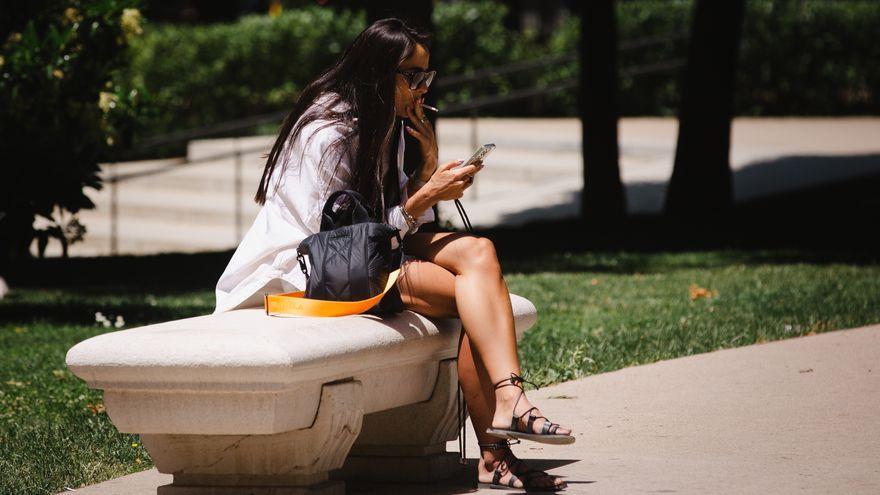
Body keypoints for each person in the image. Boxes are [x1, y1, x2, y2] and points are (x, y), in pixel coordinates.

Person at [214, 18, 572, 491]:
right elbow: (343, 240)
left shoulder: (387, 122)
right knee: (475, 301)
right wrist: (426, 195)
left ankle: (508, 403)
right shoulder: (326, 134)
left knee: (479, 251)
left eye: (428, 76)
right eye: (413, 77)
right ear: (378, 75)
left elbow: (393, 225)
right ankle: (498, 445)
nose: (423, 88)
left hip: (363, 253)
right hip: (309, 269)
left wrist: (425, 171)